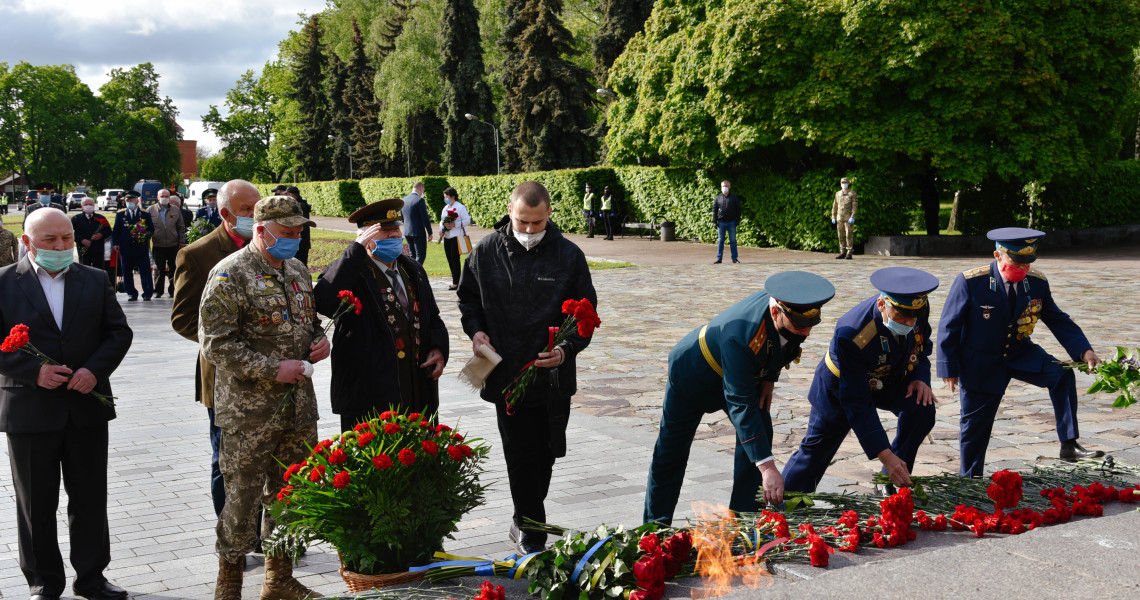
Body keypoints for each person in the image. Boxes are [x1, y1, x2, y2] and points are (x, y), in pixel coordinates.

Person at [456, 181, 597, 555]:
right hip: (505, 376)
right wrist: (476, 331)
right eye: (522, 222)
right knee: (520, 453)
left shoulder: (569, 256)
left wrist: (566, 350)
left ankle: (526, 517)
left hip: (552, 378)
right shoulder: (486, 251)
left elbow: (587, 317)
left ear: (549, 214)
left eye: (536, 223)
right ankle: (531, 527)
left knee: (546, 453)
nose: (529, 231)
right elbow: (467, 298)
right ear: (510, 210)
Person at [0, 207, 133, 600]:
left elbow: (118, 332)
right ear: (27, 242)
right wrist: (31, 371)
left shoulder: (93, 279)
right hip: (28, 410)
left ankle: (92, 577)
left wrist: (94, 370)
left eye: (67, 240)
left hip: (86, 407)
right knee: (35, 503)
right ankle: (43, 580)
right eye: (50, 240)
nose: (61, 247)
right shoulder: (4, 283)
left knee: (90, 498)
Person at [199, 195, 328, 600]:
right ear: (261, 230)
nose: (294, 238)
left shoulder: (297, 270)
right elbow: (215, 344)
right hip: (250, 414)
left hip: (298, 409)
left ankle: (279, 580)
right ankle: (229, 586)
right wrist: (272, 369)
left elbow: (309, 322)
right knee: (242, 500)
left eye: (298, 231)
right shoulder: (229, 274)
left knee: (291, 495)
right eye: (286, 232)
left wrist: (321, 340)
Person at [643, 271, 835, 525]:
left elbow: (781, 345)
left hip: (742, 373)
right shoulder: (740, 333)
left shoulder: (789, 308)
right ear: (777, 312)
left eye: (812, 324)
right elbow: (740, 403)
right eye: (800, 326)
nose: (807, 333)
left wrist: (769, 378)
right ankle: (654, 530)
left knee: (760, 433)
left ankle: (744, 522)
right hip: (693, 375)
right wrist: (768, 469)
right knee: (671, 453)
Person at [937, 227, 1104, 476]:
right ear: (998, 255)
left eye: (1028, 263)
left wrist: (1084, 351)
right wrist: (948, 367)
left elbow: (1057, 319)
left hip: (1019, 351)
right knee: (975, 425)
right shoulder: (972, 281)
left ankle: (1068, 444)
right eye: (1017, 262)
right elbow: (949, 325)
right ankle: (970, 479)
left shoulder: (1036, 282)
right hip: (980, 360)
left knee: (1061, 374)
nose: (1023, 269)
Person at [782, 267, 939, 496]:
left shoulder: (916, 307)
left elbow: (922, 346)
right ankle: (785, 502)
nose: (908, 323)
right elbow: (857, 401)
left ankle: (891, 477)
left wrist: (920, 379)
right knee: (817, 448)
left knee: (921, 407)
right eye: (901, 317)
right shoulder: (852, 332)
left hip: (889, 376)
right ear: (881, 305)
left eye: (912, 318)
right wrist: (884, 452)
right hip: (841, 385)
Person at [314, 198, 448, 431]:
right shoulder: (352, 271)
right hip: (371, 394)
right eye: (385, 231)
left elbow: (432, 317)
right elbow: (324, 301)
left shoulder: (412, 269)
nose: (395, 236)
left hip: (416, 388)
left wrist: (438, 348)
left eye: (397, 229)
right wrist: (354, 251)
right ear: (366, 238)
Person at [171, 179, 259, 519]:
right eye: (246, 211)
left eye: (258, 206)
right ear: (225, 213)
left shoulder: (271, 246)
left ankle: (267, 536)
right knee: (227, 458)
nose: (256, 215)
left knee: (268, 458)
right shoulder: (198, 255)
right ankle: (233, 537)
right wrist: (232, 345)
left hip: (272, 375)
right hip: (226, 376)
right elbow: (183, 319)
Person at [111, 191, 154, 301]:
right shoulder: (120, 214)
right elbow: (116, 231)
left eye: (131, 200)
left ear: (137, 201)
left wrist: (144, 236)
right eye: (127, 200)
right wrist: (115, 243)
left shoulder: (144, 213)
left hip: (141, 248)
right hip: (126, 248)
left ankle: (147, 293)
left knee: (145, 271)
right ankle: (131, 293)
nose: (129, 202)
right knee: (127, 272)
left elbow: (151, 229)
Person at [147, 189, 187, 299]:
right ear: (157, 197)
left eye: (166, 196)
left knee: (173, 269)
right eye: (162, 196)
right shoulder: (150, 210)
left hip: (173, 245)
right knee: (159, 270)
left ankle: (173, 291)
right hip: (158, 245)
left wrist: (181, 241)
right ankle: (158, 291)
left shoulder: (175, 209)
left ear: (169, 198)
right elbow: (145, 227)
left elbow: (181, 227)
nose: (164, 197)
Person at [438, 187, 472, 290]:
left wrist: (455, 224)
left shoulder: (460, 207)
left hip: (456, 236)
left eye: (446, 197)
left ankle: (456, 282)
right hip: (447, 237)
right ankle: (456, 279)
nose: (445, 199)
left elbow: (467, 220)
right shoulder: (445, 207)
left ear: (452, 196)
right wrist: (441, 229)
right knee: (449, 259)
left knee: (455, 259)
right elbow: (441, 220)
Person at [72, 197, 111, 272]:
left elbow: (108, 231)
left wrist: (101, 234)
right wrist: (81, 240)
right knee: (84, 272)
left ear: (94, 206)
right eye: (86, 204)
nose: (88, 206)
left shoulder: (101, 218)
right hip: (84, 251)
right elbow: (71, 233)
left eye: (90, 204)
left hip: (98, 251)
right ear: (82, 206)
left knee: (99, 272)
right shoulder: (76, 219)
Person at [401, 181, 433, 265]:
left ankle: (412, 274)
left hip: (407, 231)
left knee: (412, 255)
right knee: (420, 255)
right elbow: (425, 218)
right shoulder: (420, 200)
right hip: (418, 231)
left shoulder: (404, 200)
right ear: (421, 188)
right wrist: (430, 232)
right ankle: (417, 274)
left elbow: (402, 217)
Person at [283, 186, 313, 267]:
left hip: (300, 240)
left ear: (291, 195)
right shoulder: (302, 204)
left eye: (287, 195)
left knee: (300, 265)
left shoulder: (300, 206)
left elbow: (302, 224)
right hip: (301, 240)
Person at [712, 180, 741, 264]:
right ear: (721, 187)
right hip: (721, 222)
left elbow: (738, 209)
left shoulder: (734, 197)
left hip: (732, 222)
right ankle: (719, 258)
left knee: (733, 240)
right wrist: (714, 221)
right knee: (720, 240)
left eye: (726, 186)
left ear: (730, 187)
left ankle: (734, 258)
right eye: (723, 186)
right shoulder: (717, 198)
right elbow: (714, 210)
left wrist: (738, 219)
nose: (725, 188)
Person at [831, 177, 858, 260]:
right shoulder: (838, 194)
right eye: (842, 182)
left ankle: (849, 253)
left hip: (848, 218)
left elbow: (854, 206)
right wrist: (833, 216)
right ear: (840, 183)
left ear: (848, 183)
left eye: (845, 182)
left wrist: (853, 216)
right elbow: (834, 206)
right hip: (840, 218)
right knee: (840, 235)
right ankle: (842, 251)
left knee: (848, 235)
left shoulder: (852, 193)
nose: (844, 184)